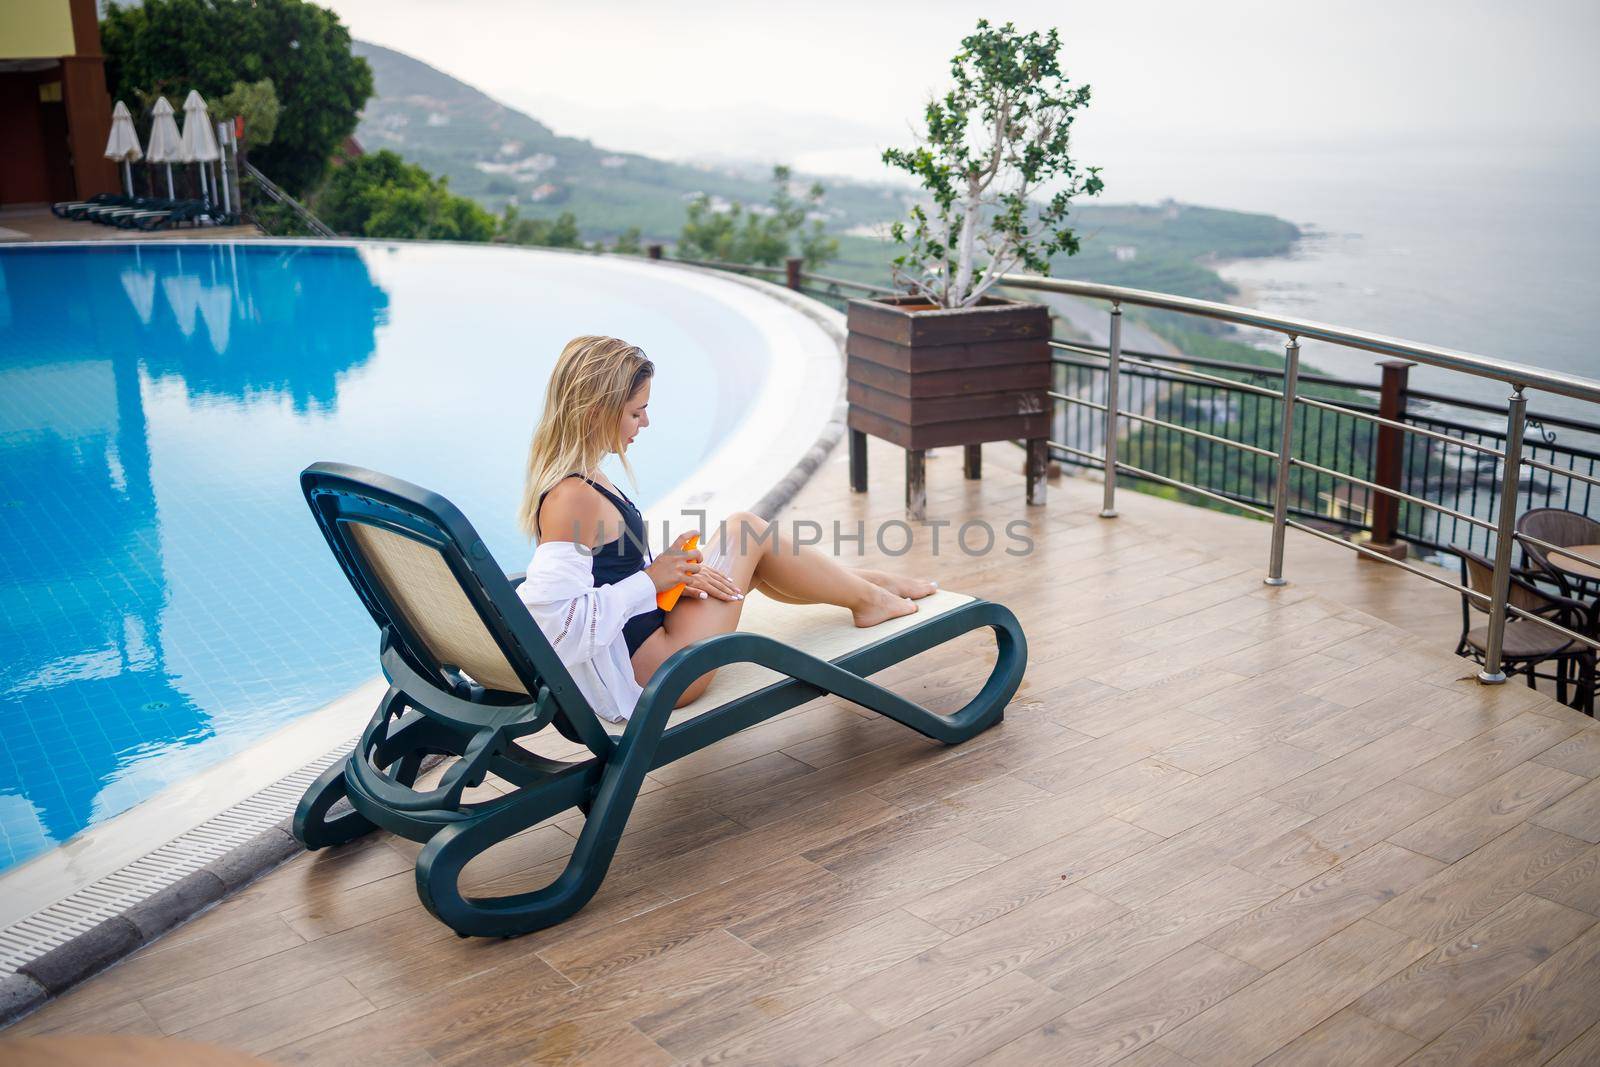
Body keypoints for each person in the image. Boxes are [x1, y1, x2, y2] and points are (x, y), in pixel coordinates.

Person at [516, 335, 939, 724]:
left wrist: (670, 573)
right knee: (746, 529)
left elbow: (603, 574)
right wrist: (651, 579)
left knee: (751, 552)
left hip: (651, 638)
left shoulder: (583, 478)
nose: (644, 423)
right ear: (596, 412)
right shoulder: (571, 496)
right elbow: (557, 627)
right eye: (636, 412)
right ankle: (869, 597)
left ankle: (869, 586)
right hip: (653, 674)